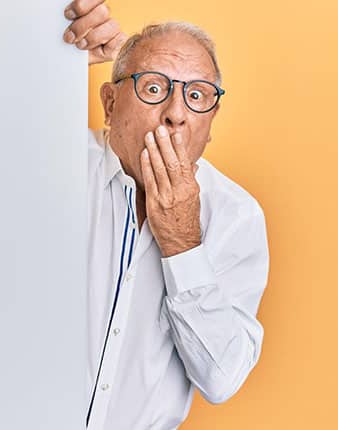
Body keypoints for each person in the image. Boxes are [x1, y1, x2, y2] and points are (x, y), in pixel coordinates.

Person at [63, 2, 270, 429]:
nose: (176, 113)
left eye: (196, 96)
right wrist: (45, 59)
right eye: (154, 88)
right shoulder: (55, 166)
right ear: (109, 102)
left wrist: (182, 244)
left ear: (210, 124)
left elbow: (222, 378)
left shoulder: (236, 217)